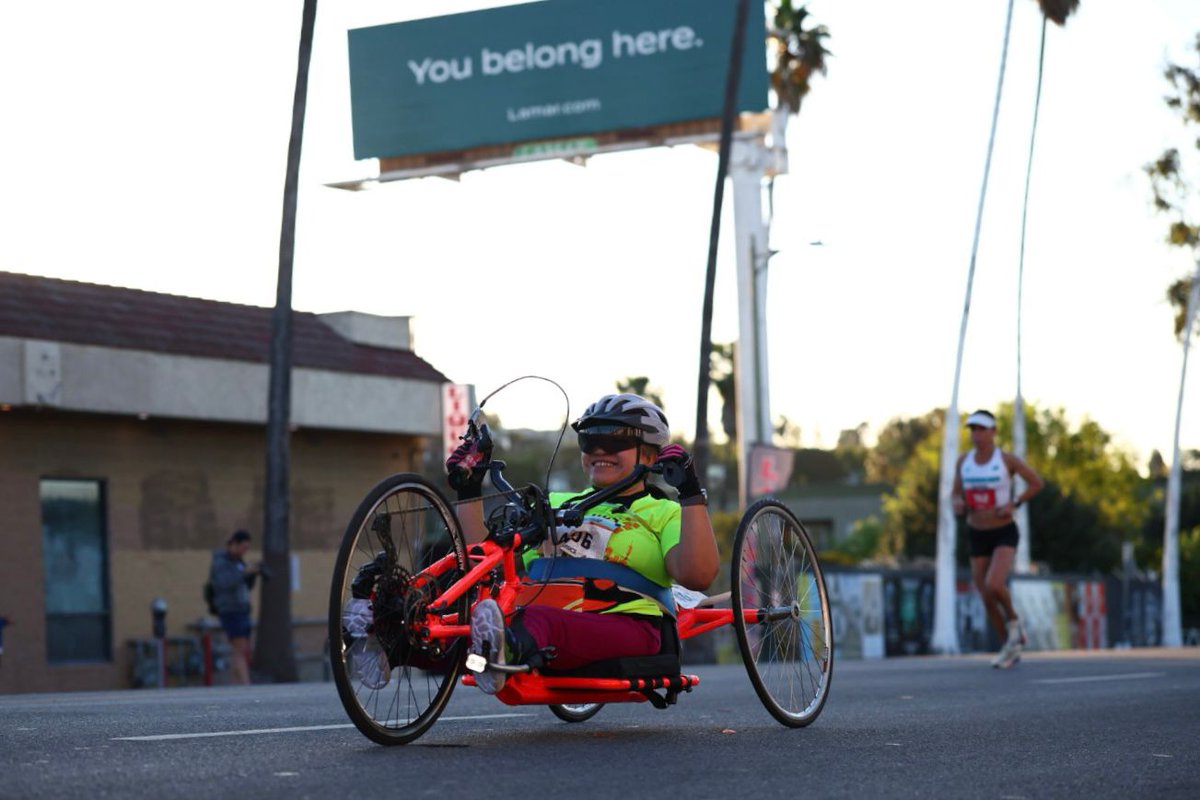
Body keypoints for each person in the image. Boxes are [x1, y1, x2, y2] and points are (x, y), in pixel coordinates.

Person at [446, 393, 719, 693]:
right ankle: (396, 645)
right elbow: (483, 564)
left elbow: (698, 574)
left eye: (616, 440)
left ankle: (504, 652)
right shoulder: (555, 504)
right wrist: (468, 489)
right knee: (449, 633)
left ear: (651, 456)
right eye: (589, 440)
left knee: (538, 623)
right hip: (541, 621)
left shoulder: (664, 512)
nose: (600, 449)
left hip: (627, 625)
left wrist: (690, 493)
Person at [951, 409, 1044, 668]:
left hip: (1003, 530)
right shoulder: (964, 462)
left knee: (994, 584)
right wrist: (958, 503)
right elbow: (955, 493)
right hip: (976, 531)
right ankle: (1008, 646)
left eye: (981, 429)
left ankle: (1015, 622)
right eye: (972, 430)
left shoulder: (1006, 460)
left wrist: (1014, 503)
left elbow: (1036, 483)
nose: (976, 435)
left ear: (993, 432)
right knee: (985, 594)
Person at [209, 529, 263, 685]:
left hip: (242, 609)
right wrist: (243, 573)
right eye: (243, 548)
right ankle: (246, 684)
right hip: (230, 610)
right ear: (234, 544)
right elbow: (223, 583)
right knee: (239, 648)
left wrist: (252, 574)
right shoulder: (221, 562)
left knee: (241, 649)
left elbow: (245, 585)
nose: (244, 552)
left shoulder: (238, 562)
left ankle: (236, 683)